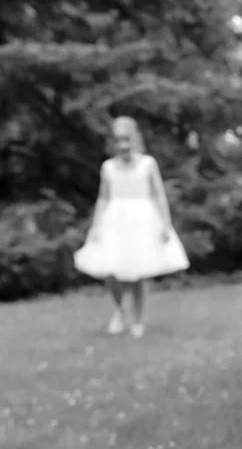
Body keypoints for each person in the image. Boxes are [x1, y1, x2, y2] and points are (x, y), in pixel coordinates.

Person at [74, 116, 188, 336]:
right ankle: (119, 312)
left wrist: (165, 223)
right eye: (118, 140)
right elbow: (104, 198)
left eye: (126, 139)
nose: (123, 145)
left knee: (139, 272)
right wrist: (96, 226)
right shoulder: (108, 168)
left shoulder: (147, 164)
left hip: (142, 221)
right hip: (114, 221)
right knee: (111, 271)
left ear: (134, 139)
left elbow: (158, 195)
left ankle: (138, 319)